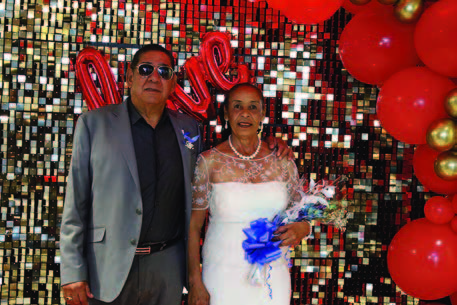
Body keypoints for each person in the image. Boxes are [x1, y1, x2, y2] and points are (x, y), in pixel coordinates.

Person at [60, 44, 292, 305]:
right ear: (129, 76)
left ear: (172, 83)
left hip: (167, 266)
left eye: (164, 71)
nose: (154, 77)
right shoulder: (94, 124)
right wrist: (72, 272)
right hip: (106, 266)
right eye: (146, 69)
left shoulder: (189, 128)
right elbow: (75, 203)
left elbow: (234, 157)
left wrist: (271, 143)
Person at [188, 83, 311, 305]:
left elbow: (301, 213)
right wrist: (195, 281)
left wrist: (305, 228)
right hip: (221, 273)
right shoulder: (209, 162)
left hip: (273, 274)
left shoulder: (282, 160)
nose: (245, 113)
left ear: (262, 114)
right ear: (226, 113)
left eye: (253, 107)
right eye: (237, 106)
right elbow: (193, 226)